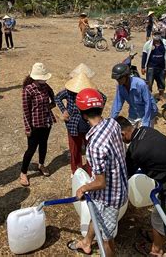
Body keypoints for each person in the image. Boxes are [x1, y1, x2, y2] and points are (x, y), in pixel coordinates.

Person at [114, 116, 166, 256]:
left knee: (158, 218)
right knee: (160, 216)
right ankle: (156, 237)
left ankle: (156, 250)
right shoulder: (146, 130)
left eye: (119, 138)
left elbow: (125, 173)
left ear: (123, 134)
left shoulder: (136, 151)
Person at [69, 88, 128, 257]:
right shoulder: (113, 123)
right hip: (118, 184)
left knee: (107, 237)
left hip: (110, 196)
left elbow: (100, 182)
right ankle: (87, 242)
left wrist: (83, 188)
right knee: (96, 214)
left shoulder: (94, 146)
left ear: (83, 114)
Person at [55, 71, 103, 175]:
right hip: (73, 124)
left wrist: (96, 112)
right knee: (74, 149)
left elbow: (103, 97)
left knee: (90, 149)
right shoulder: (68, 92)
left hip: (88, 123)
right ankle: (76, 170)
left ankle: (91, 170)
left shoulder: (92, 91)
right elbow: (57, 97)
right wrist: (64, 110)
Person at [20, 63, 56, 187]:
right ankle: (23, 172)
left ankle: (41, 164)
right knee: (31, 148)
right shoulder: (28, 90)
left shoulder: (45, 86)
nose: (45, 79)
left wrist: (52, 105)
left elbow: (52, 95)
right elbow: (25, 111)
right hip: (35, 124)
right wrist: (27, 127)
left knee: (44, 144)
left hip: (46, 122)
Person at [110, 63, 157, 127]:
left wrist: (145, 122)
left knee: (145, 134)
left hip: (148, 112)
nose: (118, 80)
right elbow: (117, 103)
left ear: (126, 76)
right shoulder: (120, 86)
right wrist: (111, 120)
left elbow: (148, 103)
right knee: (129, 132)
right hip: (134, 111)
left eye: (120, 78)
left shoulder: (141, 84)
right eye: (116, 79)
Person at [141, 30, 166, 100]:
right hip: (151, 67)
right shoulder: (147, 44)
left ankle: (161, 95)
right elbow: (144, 56)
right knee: (149, 82)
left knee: (162, 82)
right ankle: (148, 96)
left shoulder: (165, 43)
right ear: (152, 35)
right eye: (155, 34)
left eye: (158, 34)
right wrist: (143, 67)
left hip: (162, 67)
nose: (157, 35)